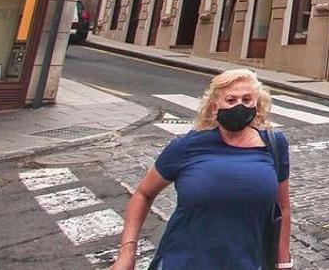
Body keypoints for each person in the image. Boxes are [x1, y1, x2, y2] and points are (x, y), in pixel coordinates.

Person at [111, 69, 291, 270]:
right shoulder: (187, 146)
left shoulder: (275, 146)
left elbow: (282, 207)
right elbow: (143, 194)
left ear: (257, 105)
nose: (240, 106)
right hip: (183, 262)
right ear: (215, 108)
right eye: (231, 100)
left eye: (247, 99)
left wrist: (283, 262)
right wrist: (127, 253)